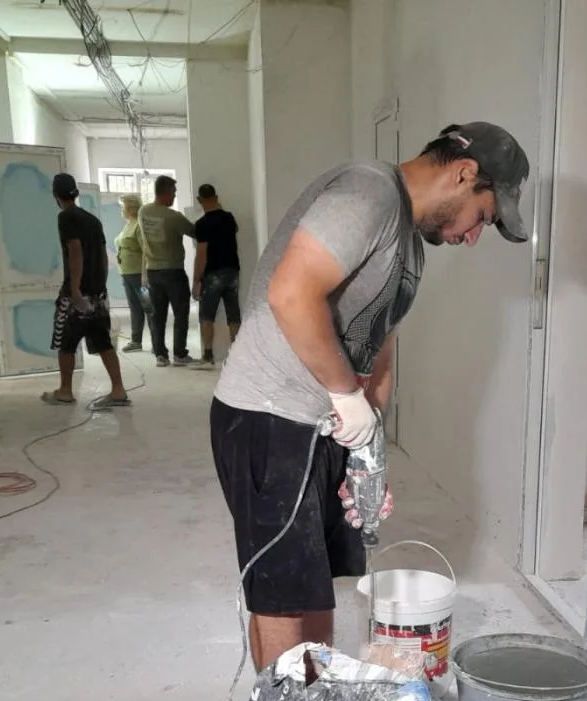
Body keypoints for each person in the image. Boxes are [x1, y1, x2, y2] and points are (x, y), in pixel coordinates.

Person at [210, 122, 530, 670]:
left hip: (325, 424)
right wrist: (345, 395)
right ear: (464, 173)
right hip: (271, 415)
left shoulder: (409, 244)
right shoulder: (369, 191)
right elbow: (291, 293)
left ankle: (319, 700)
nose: (474, 236)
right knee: (282, 596)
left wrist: (367, 447)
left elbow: (379, 347)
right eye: (483, 216)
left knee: (316, 585)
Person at [41, 172, 130, 410]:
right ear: (76, 193)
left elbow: (75, 250)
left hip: (77, 295)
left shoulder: (66, 217)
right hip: (97, 295)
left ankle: (65, 391)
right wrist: (100, 288)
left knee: (66, 343)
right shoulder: (92, 220)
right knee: (103, 341)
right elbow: (103, 256)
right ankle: (118, 390)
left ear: (55, 195)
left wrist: (75, 290)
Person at [137, 175, 197, 367]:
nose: (175, 195)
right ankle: (179, 354)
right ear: (165, 192)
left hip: (153, 272)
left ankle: (160, 356)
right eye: (173, 192)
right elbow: (195, 232)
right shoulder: (174, 217)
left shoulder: (143, 212)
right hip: (173, 272)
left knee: (158, 315)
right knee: (181, 313)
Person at [191, 183, 242, 371]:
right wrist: (219, 208)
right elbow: (235, 229)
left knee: (207, 316)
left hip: (213, 274)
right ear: (216, 197)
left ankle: (208, 357)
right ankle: (236, 357)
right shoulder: (229, 218)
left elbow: (201, 255)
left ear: (199, 200)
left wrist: (196, 280)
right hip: (232, 272)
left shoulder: (201, 224)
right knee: (233, 315)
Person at [114, 194, 153, 352]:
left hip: (139, 276)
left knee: (148, 307)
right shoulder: (128, 225)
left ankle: (157, 343)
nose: (121, 210)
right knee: (134, 307)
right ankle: (136, 341)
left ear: (130, 208)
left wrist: (145, 275)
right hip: (127, 275)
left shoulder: (139, 225)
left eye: (122, 207)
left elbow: (146, 251)